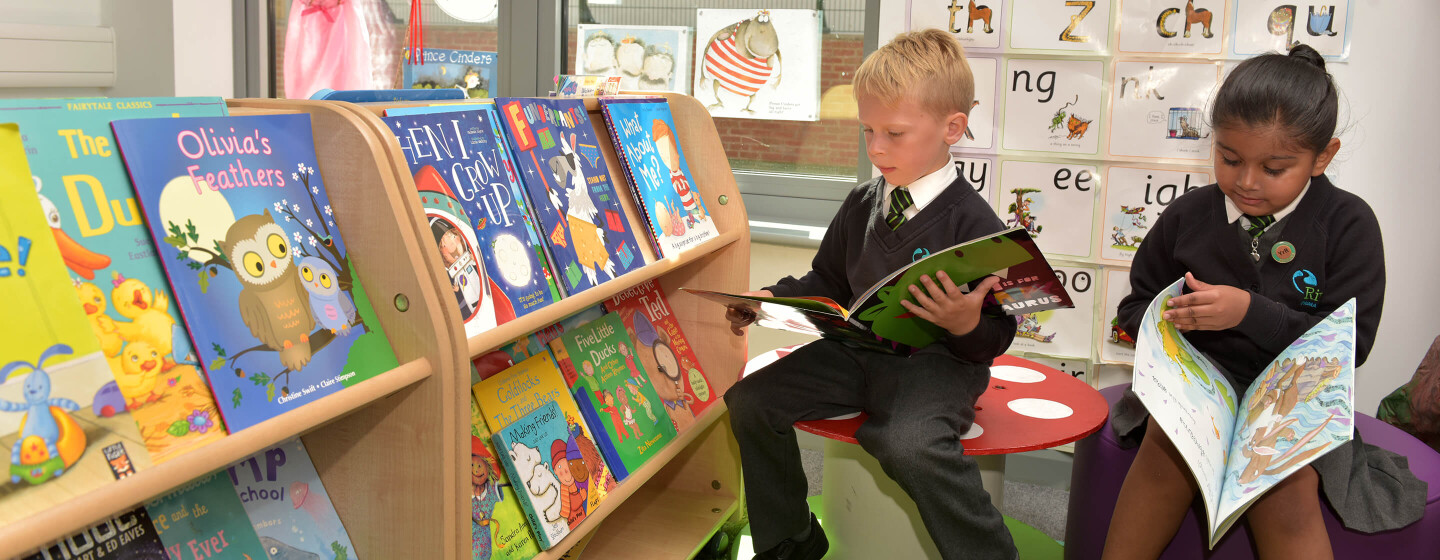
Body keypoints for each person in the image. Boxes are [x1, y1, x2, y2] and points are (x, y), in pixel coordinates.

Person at [1102, 44, 1425, 559]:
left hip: (1296, 397)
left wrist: (1249, 313)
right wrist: (1178, 320)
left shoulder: (1349, 224)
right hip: (1197, 389)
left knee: (1281, 487)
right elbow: (1136, 308)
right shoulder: (1188, 215)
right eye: (1229, 159)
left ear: (1323, 157)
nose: (1246, 182)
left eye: (1274, 168)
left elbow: (1349, 346)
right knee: (1166, 453)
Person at [724, 28, 1018, 560]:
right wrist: (769, 298)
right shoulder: (863, 202)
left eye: (895, 133)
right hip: (856, 352)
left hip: (938, 365)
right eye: (868, 131)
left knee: (907, 444)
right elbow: (828, 282)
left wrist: (964, 324)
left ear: (952, 128)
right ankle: (792, 542)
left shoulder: (977, 226)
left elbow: (997, 335)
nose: (877, 148)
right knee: (750, 401)